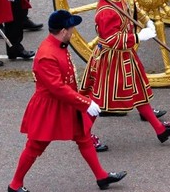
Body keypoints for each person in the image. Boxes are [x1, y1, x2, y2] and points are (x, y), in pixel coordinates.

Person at [8, 10, 127, 192]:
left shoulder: (58, 46)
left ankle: (101, 177)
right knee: (35, 145)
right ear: (63, 31)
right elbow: (57, 88)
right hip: (50, 107)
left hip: (66, 102)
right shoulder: (48, 54)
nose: (73, 32)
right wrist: (86, 103)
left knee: (83, 137)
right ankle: (15, 184)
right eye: (71, 29)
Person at [80, 0, 170, 144]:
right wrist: (138, 37)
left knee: (139, 93)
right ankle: (84, 136)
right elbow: (111, 40)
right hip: (111, 60)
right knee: (99, 101)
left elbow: (133, 10)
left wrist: (147, 22)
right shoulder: (106, 11)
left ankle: (160, 130)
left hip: (125, 56)